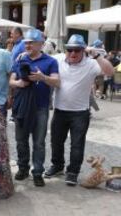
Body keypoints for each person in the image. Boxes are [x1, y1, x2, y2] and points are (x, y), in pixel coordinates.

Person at [45, 35, 114, 186]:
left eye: (77, 50)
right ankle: (57, 166)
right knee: (56, 141)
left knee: (77, 144)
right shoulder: (58, 59)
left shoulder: (90, 63)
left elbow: (110, 72)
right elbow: (41, 58)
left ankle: (73, 171)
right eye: (70, 50)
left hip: (80, 112)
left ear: (83, 50)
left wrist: (96, 55)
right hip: (60, 110)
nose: (73, 53)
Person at [9, 29, 60, 187]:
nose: (28, 45)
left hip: (40, 107)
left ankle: (37, 172)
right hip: (23, 106)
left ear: (41, 44)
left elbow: (57, 82)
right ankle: (23, 168)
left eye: (31, 42)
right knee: (21, 140)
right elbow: (11, 80)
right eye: (26, 43)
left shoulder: (50, 61)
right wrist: (19, 83)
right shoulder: (20, 60)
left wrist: (42, 77)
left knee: (39, 142)